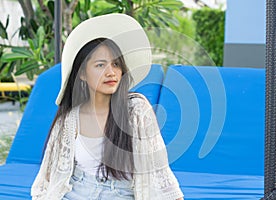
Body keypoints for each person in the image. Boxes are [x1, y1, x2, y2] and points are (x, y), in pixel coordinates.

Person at [31, 14, 184, 200]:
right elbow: (48, 180)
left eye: (116, 64)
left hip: (121, 194)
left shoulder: (136, 110)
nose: (111, 72)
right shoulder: (69, 120)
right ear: (82, 74)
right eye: (100, 65)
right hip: (76, 193)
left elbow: (160, 173)